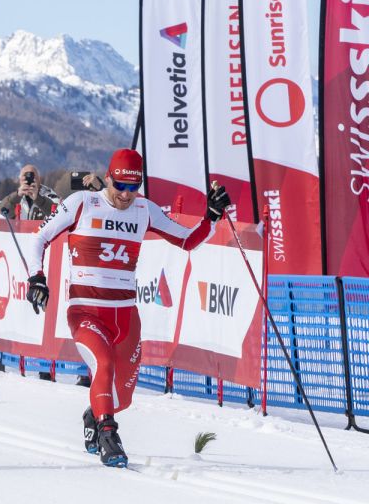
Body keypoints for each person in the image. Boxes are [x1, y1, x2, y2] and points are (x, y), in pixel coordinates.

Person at [24, 148, 230, 468]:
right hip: (86, 311)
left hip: (125, 315)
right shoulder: (82, 203)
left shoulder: (144, 210)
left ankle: (95, 414)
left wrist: (212, 217)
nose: (125, 195)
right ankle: (109, 436)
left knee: (123, 396)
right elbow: (39, 239)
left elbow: (187, 240)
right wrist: (37, 278)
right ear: (108, 178)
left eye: (133, 187)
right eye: (120, 186)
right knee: (103, 364)